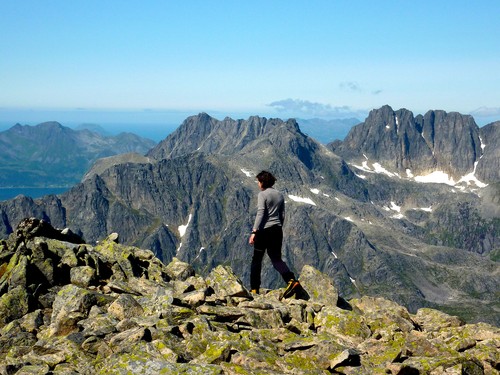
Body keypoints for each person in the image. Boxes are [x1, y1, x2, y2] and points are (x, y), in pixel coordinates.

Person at [248, 170, 300, 298]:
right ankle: (291, 280)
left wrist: (254, 231)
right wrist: (279, 226)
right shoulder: (280, 195)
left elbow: (260, 213)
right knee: (276, 259)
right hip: (277, 230)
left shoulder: (263, 195)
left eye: (258, 181)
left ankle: (254, 289)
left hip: (264, 231)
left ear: (262, 182)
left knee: (257, 260)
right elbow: (282, 214)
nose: (258, 184)